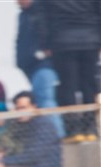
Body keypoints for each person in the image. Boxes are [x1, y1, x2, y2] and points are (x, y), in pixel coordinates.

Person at [41, 0, 100, 142]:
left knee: (68, 87)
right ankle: (90, 128)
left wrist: (45, 43)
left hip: (62, 42)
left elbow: (43, 17)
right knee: (89, 85)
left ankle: (73, 130)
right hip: (90, 40)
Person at [15, 0, 64, 138]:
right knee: (42, 100)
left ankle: (55, 135)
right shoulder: (24, 15)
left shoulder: (42, 9)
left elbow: (49, 31)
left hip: (43, 64)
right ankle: (52, 134)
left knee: (46, 100)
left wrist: (44, 51)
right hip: (31, 66)